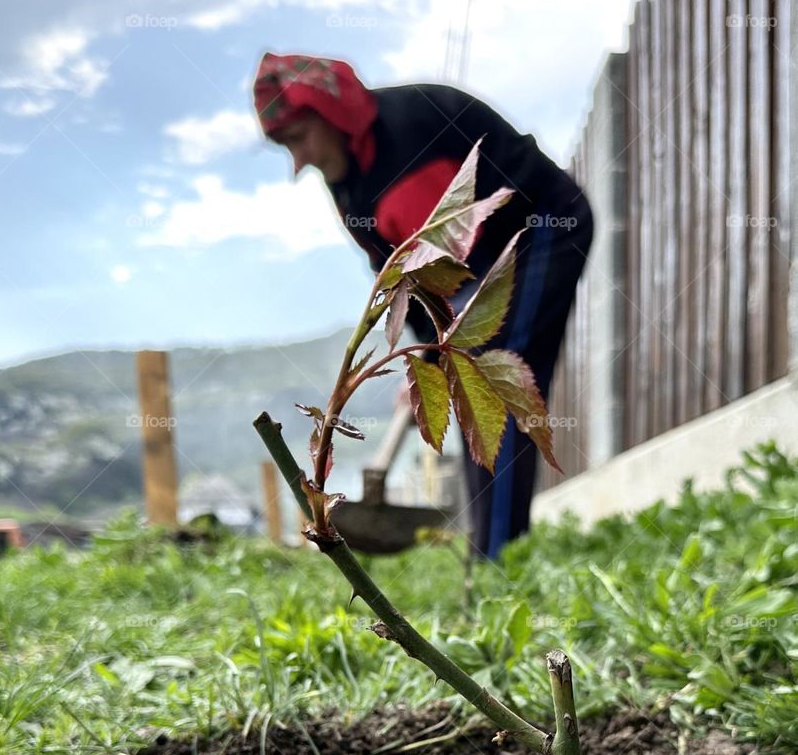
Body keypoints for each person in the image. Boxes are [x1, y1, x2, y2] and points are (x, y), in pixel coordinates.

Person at [252, 51, 593, 559]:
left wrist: (439, 356)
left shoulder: (411, 133)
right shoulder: (349, 188)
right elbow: (398, 278)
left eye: (298, 139)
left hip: (540, 230)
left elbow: (459, 262)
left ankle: (498, 559)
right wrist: (422, 361)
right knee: (467, 382)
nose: (298, 163)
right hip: (473, 268)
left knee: (487, 391)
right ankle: (497, 550)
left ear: (333, 114)